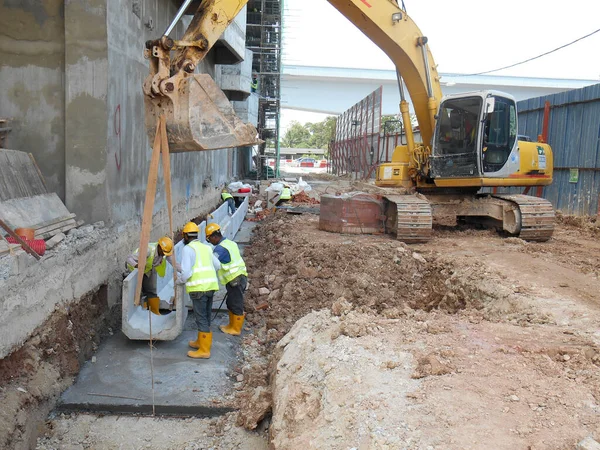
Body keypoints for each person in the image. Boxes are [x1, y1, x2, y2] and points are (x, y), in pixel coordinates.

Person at [176, 222, 221, 359]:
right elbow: (218, 265)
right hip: (210, 287)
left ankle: (204, 350)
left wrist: (179, 280)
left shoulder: (188, 249)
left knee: (200, 318)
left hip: (198, 289)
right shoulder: (206, 247)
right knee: (206, 316)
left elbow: (186, 273)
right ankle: (201, 341)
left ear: (185, 235)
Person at [205, 223, 248, 336]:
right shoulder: (230, 243)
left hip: (235, 279)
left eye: (210, 240)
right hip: (238, 277)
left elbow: (213, 264)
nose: (210, 242)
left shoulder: (220, 249)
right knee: (230, 302)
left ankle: (236, 329)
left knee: (236, 303)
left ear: (214, 236)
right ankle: (231, 325)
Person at [126, 236, 177, 315]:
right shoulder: (148, 250)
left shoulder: (163, 253)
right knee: (138, 292)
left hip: (147, 269)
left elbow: (174, 263)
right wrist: (136, 265)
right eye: (163, 252)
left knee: (151, 290)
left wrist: (183, 271)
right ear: (159, 247)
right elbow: (129, 258)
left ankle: (153, 311)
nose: (164, 255)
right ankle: (139, 311)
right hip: (135, 270)